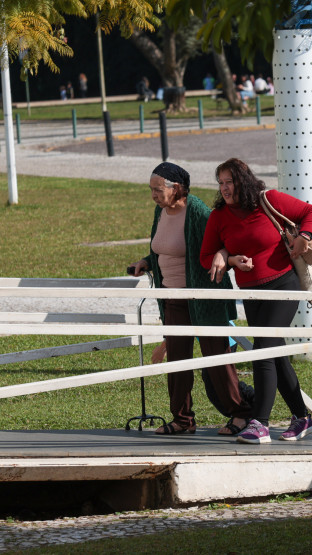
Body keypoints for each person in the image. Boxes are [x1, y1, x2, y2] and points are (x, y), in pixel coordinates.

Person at [128, 162, 253, 436]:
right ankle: (183, 420)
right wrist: (147, 261)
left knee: (216, 359)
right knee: (178, 362)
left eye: (158, 189)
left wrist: (222, 255)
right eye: (151, 189)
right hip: (171, 298)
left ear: (177, 188)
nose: (154, 195)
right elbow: (165, 249)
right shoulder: (160, 212)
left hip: (202, 298)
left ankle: (242, 414)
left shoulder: (197, 211)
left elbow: (223, 240)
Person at [200, 158, 312, 444]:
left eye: (230, 182)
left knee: (263, 350)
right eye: (221, 183)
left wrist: (304, 235)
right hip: (253, 295)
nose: (225, 188)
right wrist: (228, 258)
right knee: (276, 356)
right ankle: (302, 418)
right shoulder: (219, 216)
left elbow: (310, 212)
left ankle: (260, 423)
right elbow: (205, 257)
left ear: (243, 181)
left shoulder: (270, 200)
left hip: (283, 287)